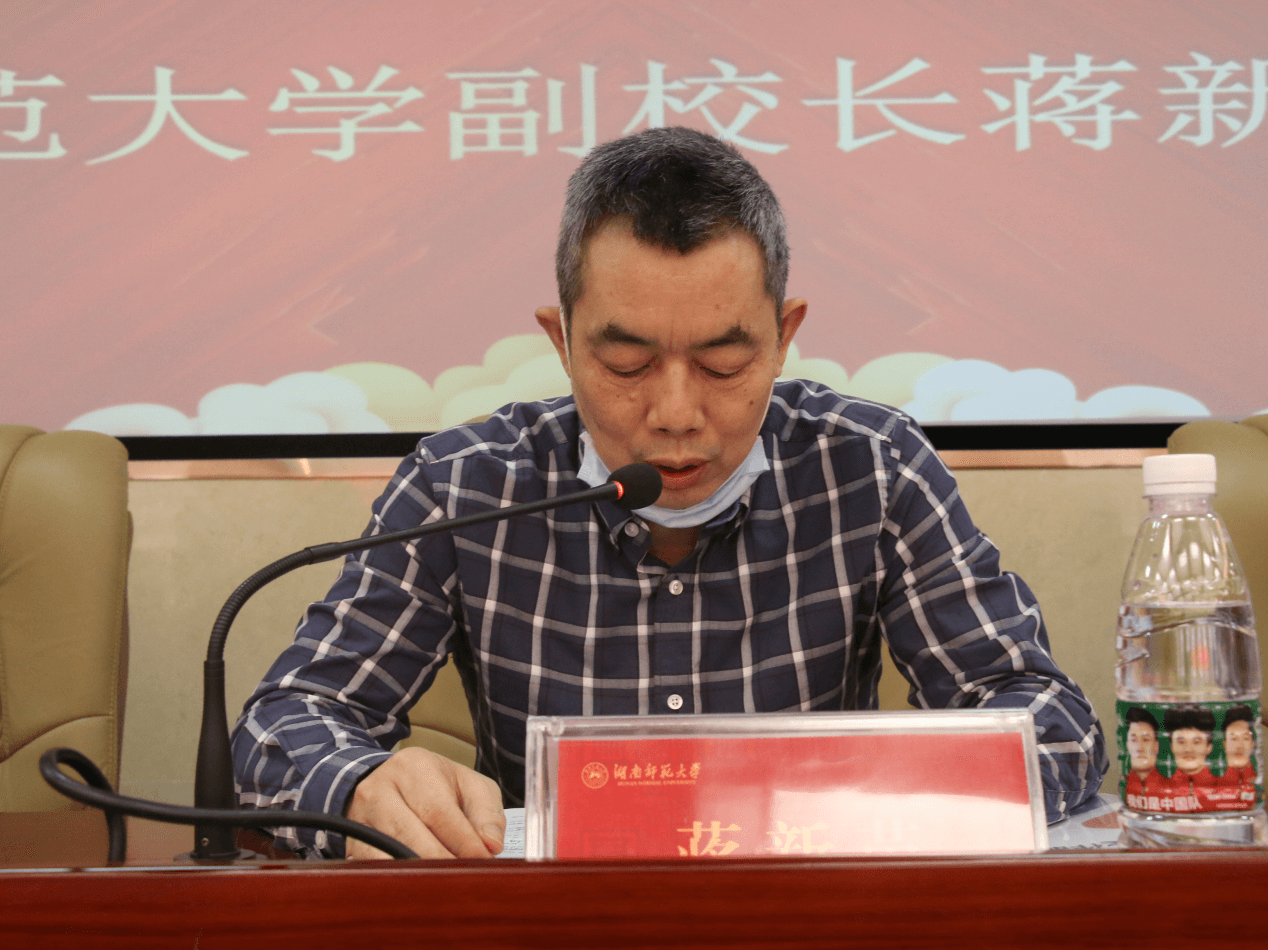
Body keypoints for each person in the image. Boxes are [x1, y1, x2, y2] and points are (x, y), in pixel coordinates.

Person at [231, 126, 1107, 859]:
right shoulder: (466, 485)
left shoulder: (869, 468)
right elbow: (285, 723)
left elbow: (1049, 721)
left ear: (783, 336)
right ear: (562, 340)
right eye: (627, 363)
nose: (677, 414)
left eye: (724, 363)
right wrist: (359, 785)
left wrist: (889, 790)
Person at [1163, 705, 1218, 813]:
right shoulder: (1159, 790)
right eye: (1181, 741)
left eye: (1197, 742)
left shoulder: (1225, 788)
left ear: (1209, 747)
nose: (1188, 749)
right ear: (1171, 746)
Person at [1210, 704, 1258, 811]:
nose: (1239, 746)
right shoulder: (1210, 781)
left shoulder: (1258, 781)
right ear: (1224, 743)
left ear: (1253, 743)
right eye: (1234, 739)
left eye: (1245, 738)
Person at [1122, 706, 1167, 811]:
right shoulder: (1125, 787)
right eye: (1133, 740)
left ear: (1156, 746)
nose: (1139, 748)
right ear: (1127, 745)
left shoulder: (1172, 790)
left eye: (1146, 740)